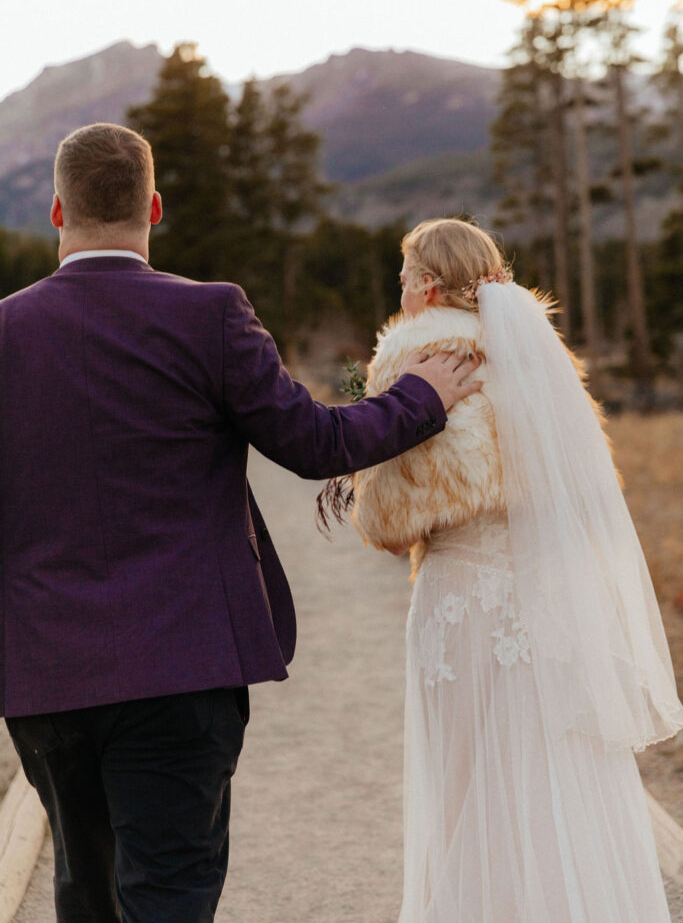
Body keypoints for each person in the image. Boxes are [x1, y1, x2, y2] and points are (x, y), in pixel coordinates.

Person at [0, 126, 483, 923]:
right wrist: (421, 394)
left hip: (44, 671)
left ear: (57, 209)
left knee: (83, 886)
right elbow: (318, 445)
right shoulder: (210, 314)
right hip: (182, 662)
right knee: (171, 893)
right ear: (153, 208)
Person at [349, 217, 683, 922]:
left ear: (429, 285)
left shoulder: (412, 359)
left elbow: (386, 519)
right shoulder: (534, 357)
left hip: (459, 600)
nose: (399, 290)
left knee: (465, 780)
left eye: (404, 277)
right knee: (547, 772)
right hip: (542, 596)